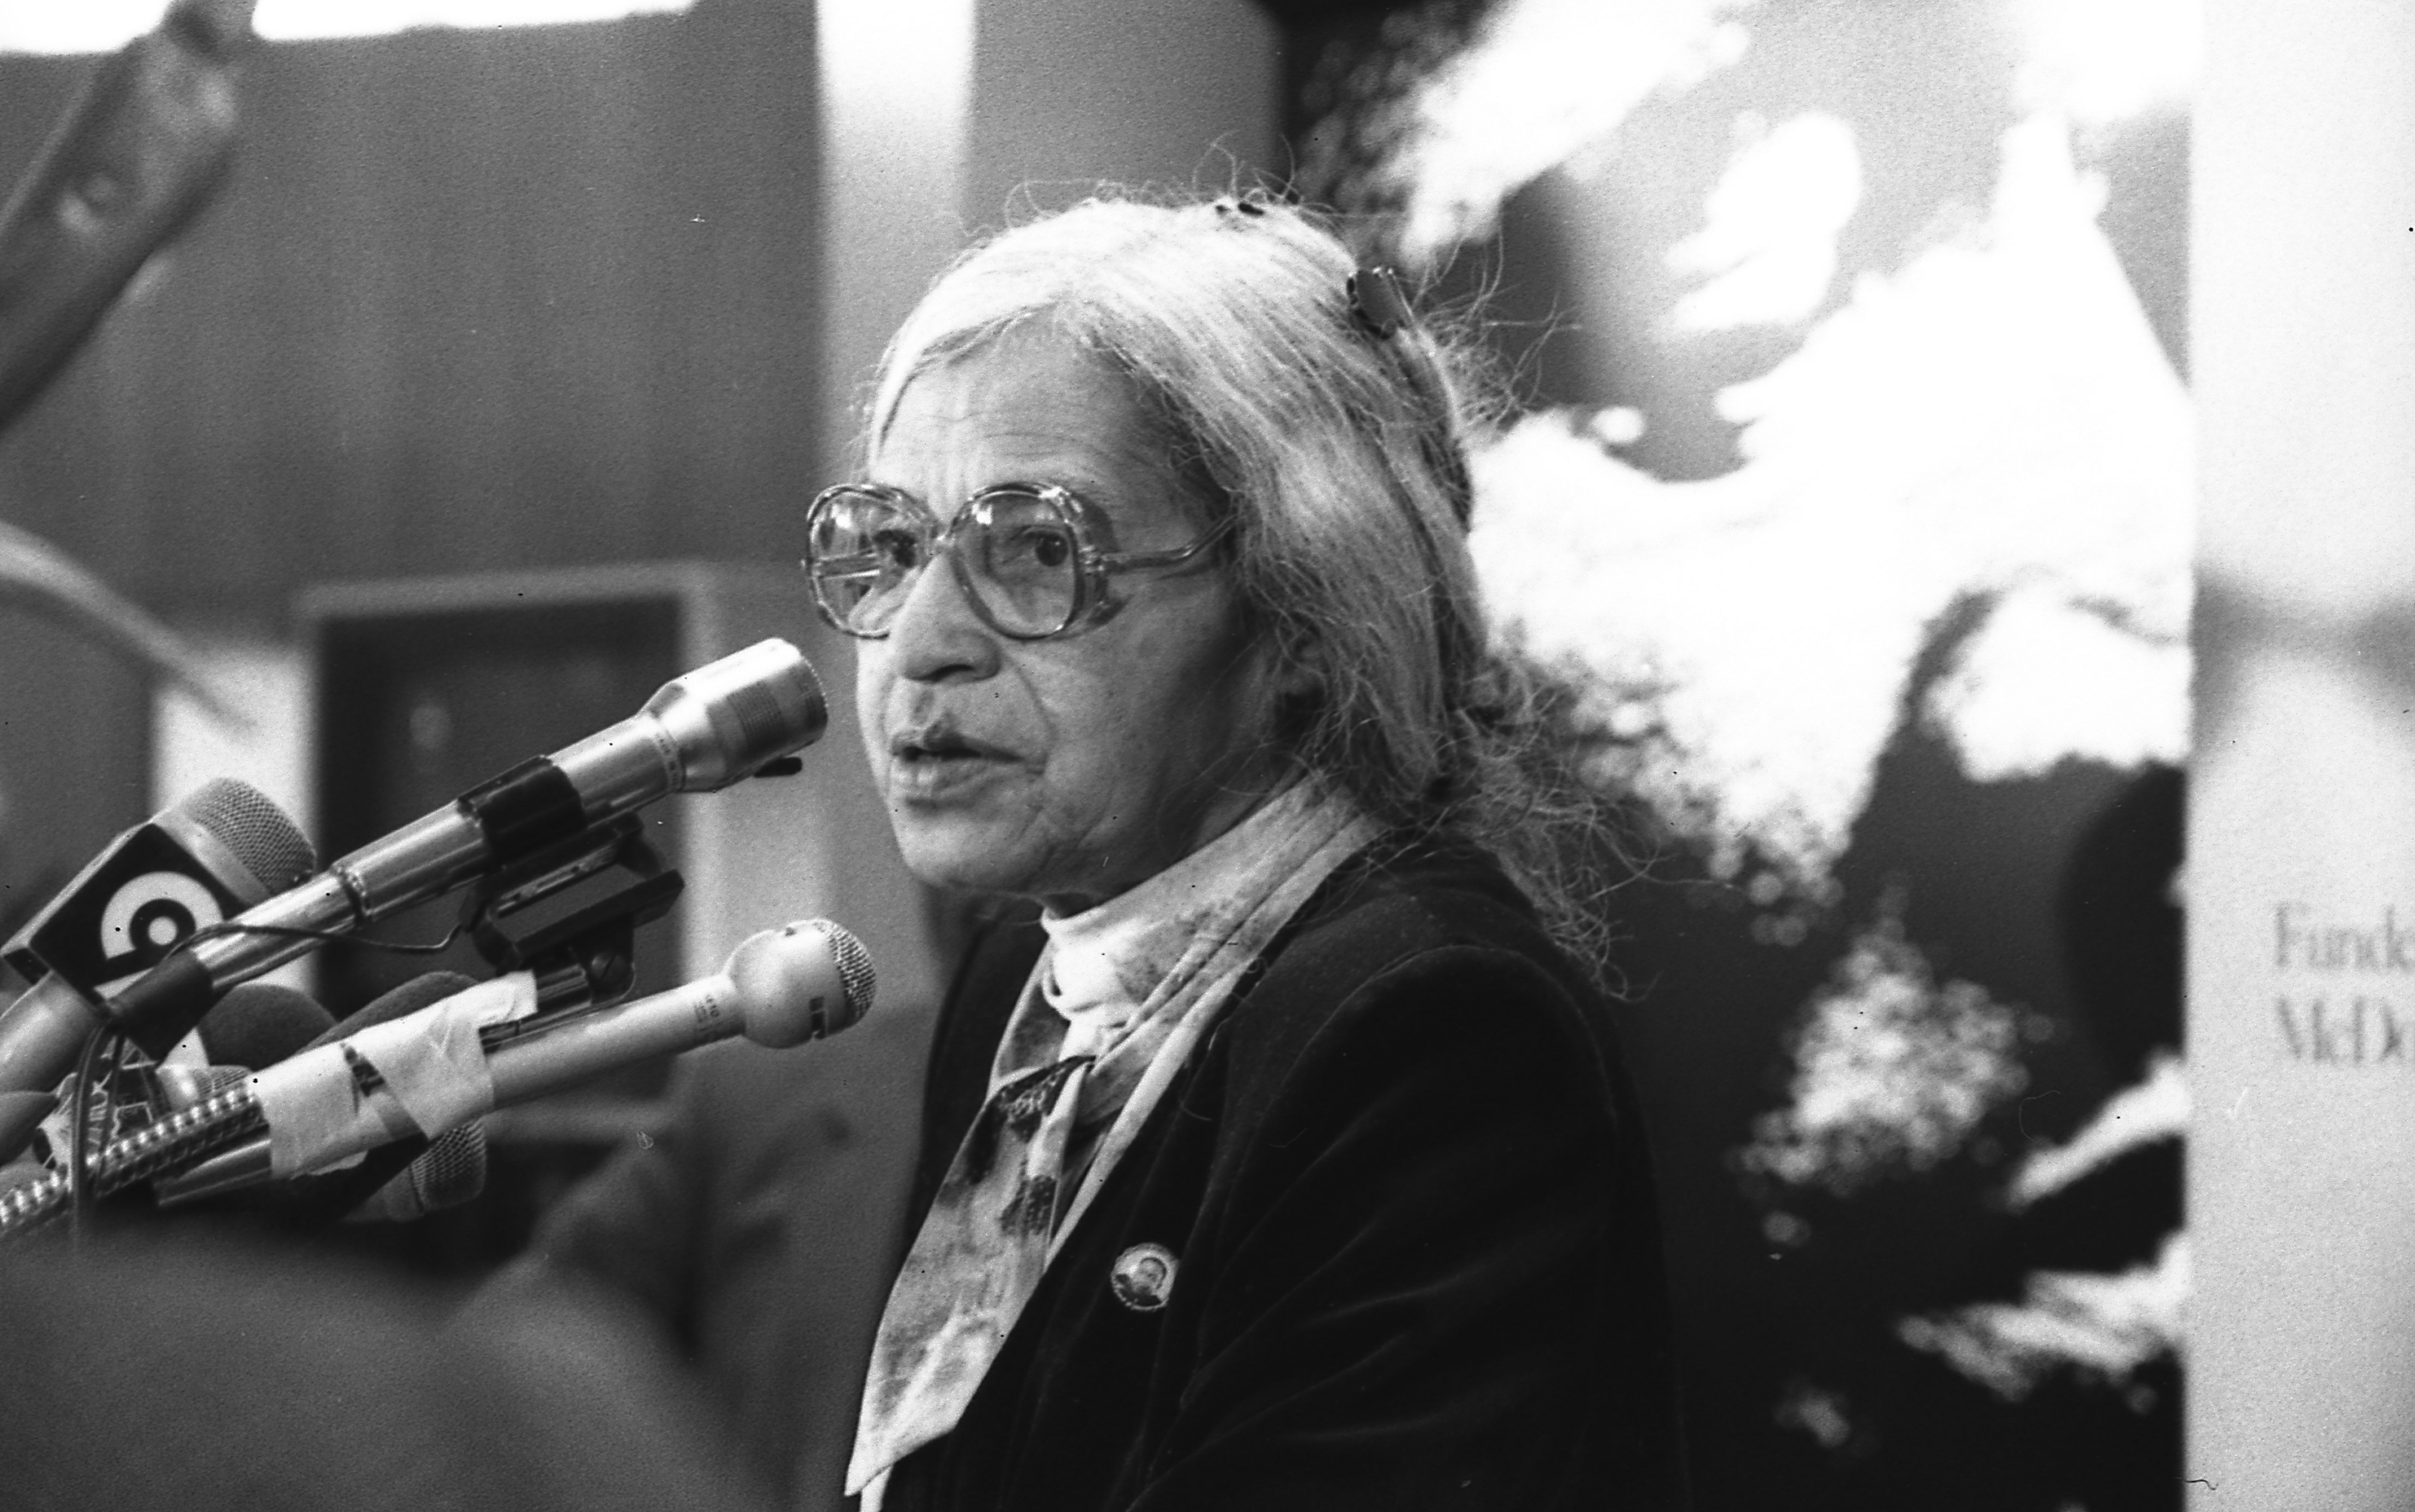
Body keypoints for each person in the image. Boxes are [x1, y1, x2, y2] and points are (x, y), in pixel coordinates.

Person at [520, 191, 1685, 1512]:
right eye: (889, 547)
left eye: (1037, 550)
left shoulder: (1431, 1029)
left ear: (1306, 618)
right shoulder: (1015, 975)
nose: (921, 642)